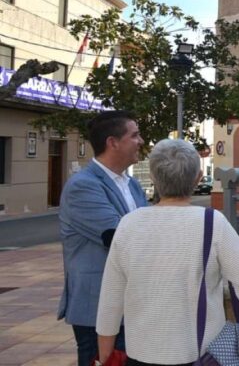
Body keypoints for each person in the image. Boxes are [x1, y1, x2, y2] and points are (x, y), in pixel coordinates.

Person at [96, 139, 239, 366]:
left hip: (141, 355)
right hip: (201, 355)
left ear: (153, 178)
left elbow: (110, 300)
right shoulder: (212, 222)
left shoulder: (128, 224)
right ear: (198, 178)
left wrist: (104, 357)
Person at [58, 110, 147, 366]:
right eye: (135, 135)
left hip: (131, 307)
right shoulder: (83, 186)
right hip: (97, 311)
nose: (140, 141)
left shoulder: (132, 185)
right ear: (113, 142)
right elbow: (119, 238)